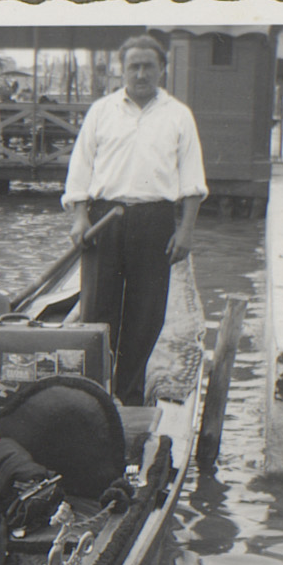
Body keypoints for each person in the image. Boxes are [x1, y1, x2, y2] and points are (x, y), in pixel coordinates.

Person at [61, 33, 207, 405]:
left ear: (162, 70)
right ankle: (96, 394)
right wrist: (79, 218)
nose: (141, 74)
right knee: (97, 312)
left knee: (146, 315)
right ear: (122, 70)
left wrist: (185, 231)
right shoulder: (101, 111)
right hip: (103, 221)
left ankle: (129, 397)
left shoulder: (179, 115)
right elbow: (80, 169)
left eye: (148, 67)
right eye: (133, 66)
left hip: (154, 221)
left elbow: (192, 181)